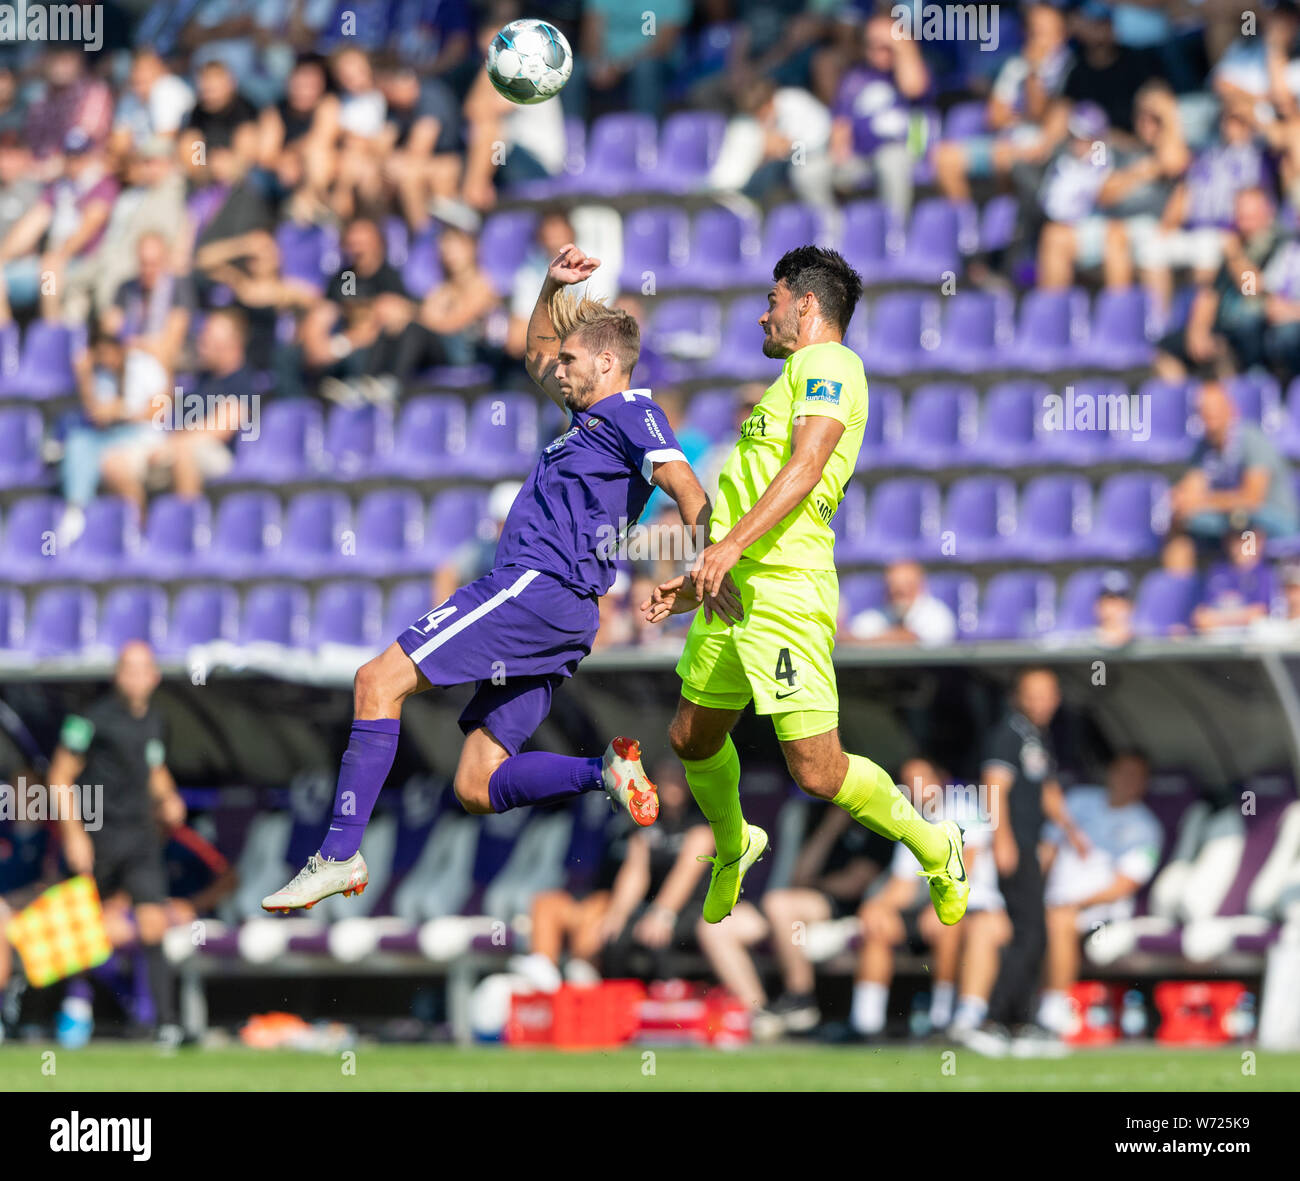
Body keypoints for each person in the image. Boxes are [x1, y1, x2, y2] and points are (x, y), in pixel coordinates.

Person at [262, 242, 742, 911]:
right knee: (477, 782)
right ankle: (604, 769)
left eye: (574, 361)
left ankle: (337, 854)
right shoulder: (592, 419)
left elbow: (688, 488)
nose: (560, 370)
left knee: (376, 681)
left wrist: (703, 566)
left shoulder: (632, 411)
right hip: (563, 613)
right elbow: (535, 352)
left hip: (533, 588)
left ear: (608, 362)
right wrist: (549, 287)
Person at [641, 246, 968, 931]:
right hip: (734, 590)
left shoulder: (830, 364)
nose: (765, 314)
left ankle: (935, 845)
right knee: (691, 739)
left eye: (772, 300)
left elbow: (809, 465)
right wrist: (705, 575)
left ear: (805, 304)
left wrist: (728, 548)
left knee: (817, 771)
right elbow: (754, 490)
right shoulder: (789, 379)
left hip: (785, 593)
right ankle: (735, 844)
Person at [48, 642, 188, 1047]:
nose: (135, 676)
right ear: (117, 674)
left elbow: (155, 769)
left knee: (153, 923)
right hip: (96, 837)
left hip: (140, 838)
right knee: (84, 929)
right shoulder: (88, 720)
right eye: (128, 668)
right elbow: (59, 777)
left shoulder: (157, 721)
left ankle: (164, 1024)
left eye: (143, 669)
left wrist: (170, 799)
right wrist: (74, 834)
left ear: (154, 676)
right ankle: (75, 1009)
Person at [958, 667, 1085, 1058]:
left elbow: (1045, 788)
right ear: (1018, 697)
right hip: (1016, 845)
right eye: (1032, 694)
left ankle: (1017, 1023)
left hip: (1032, 844)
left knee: (1032, 934)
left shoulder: (1036, 737)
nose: (1040, 702)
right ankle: (991, 1020)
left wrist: (1073, 831)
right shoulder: (1007, 734)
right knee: (1030, 933)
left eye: (1047, 694)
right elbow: (994, 786)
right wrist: (1004, 840)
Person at [695, 797, 886, 1041]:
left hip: (844, 911)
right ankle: (759, 1013)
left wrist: (812, 884)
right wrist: (831, 826)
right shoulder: (810, 815)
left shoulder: (874, 819)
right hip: (791, 909)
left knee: (779, 904)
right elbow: (800, 876)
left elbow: (853, 884)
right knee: (715, 928)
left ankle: (800, 997)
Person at [1037, 751, 1162, 1037]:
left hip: (1101, 913)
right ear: (1110, 773)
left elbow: (1124, 885)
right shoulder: (1080, 800)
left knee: (1059, 921)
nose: (1126, 780)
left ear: (1144, 783)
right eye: (1121, 771)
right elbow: (1048, 849)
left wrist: (1073, 903)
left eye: (1135, 776)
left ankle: (1052, 1011)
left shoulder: (1146, 826)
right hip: (1051, 900)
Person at [1171, 382, 1300, 544]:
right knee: (1181, 520)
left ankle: (1248, 568)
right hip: (1231, 517)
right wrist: (1181, 499)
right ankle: (1176, 570)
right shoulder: (1203, 448)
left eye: (1214, 411)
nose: (1210, 417)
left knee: (1241, 520)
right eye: (1204, 412)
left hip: (1275, 519)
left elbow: (1251, 499)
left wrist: (1201, 501)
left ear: (1231, 410)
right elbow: (1192, 489)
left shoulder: (1252, 439)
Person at [844, 560, 957, 647]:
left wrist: (872, 641)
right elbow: (851, 637)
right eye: (893, 588)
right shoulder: (880, 613)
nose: (899, 593)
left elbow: (917, 640)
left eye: (907, 587)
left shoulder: (938, 614)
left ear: (920, 587)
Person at [1192, 529, 1276, 635]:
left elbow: (1259, 614)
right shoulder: (1217, 570)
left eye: (1246, 538)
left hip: (1251, 640)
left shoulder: (1265, 573)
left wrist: (1218, 619)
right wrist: (1240, 617)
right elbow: (1201, 617)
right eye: (1236, 539)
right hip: (1217, 638)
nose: (1239, 545)